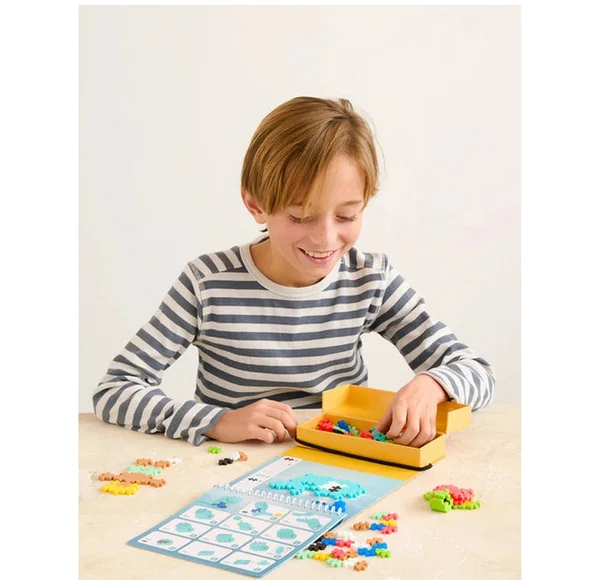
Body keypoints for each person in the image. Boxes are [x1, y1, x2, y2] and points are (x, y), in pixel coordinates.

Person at [93, 96, 495, 449]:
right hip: (231, 471)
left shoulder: (371, 280)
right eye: (301, 217)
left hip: (339, 471)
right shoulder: (207, 284)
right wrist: (216, 421)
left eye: (346, 215)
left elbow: (476, 371)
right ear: (256, 205)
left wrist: (433, 384)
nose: (326, 238)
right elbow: (115, 390)